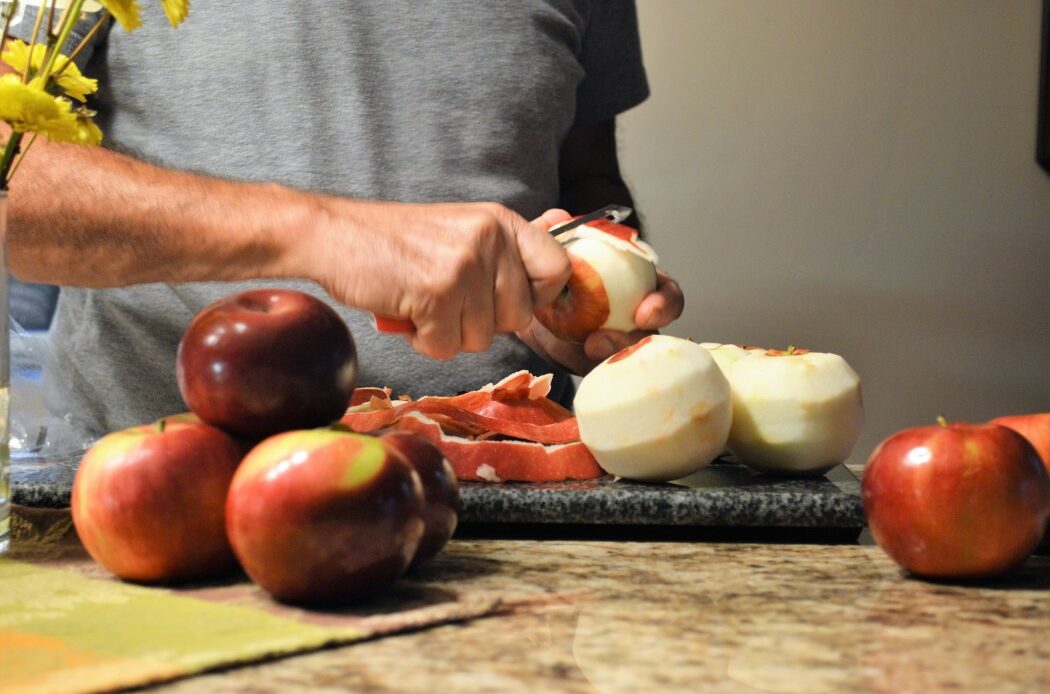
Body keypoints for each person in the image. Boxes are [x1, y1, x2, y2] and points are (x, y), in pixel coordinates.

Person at [3, 1, 684, 442]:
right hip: (157, 490)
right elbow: (13, 190)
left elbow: (587, 177)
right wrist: (325, 232)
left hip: (512, 488)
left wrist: (585, 282)